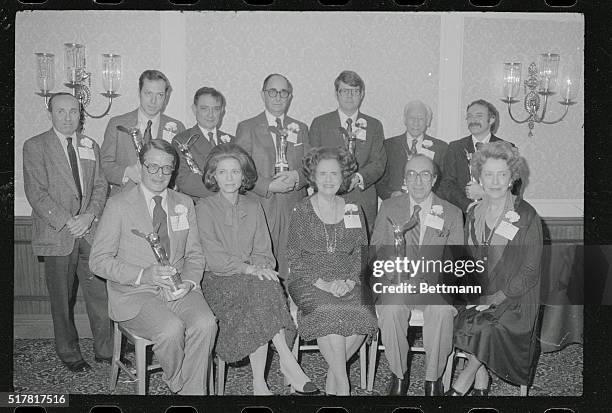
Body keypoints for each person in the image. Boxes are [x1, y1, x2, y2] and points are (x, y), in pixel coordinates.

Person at [89, 140, 217, 395]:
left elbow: (195, 254)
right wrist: (142, 275)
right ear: (140, 166)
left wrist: (188, 284)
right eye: (152, 167)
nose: (159, 175)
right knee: (171, 330)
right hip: (135, 294)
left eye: (166, 169)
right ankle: (183, 387)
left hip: (179, 289)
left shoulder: (184, 203)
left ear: (173, 171)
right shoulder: (118, 205)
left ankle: (190, 392)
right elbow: (98, 260)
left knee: (206, 323)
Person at [196, 143, 318, 395]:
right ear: (213, 176)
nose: (229, 178)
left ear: (244, 176)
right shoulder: (204, 208)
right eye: (222, 172)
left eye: (235, 172)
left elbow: (265, 252)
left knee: (264, 288)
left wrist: (260, 268)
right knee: (264, 290)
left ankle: (260, 383)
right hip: (218, 282)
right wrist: (250, 270)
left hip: (253, 280)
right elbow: (213, 257)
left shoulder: (253, 206)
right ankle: (287, 363)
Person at [23, 92, 112, 372]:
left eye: (73, 111)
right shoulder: (35, 146)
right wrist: (68, 220)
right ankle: (68, 352)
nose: (67, 117)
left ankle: (105, 350)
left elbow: (101, 186)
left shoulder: (90, 144)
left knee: (101, 296)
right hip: (57, 234)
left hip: (89, 232)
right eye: (61, 111)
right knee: (62, 299)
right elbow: (36, 193)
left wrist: (88, 216)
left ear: (80, 114)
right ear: (50, 113)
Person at [446, 141, 542, 396]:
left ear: (512, 178)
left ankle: (464, 380)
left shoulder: (527, 216)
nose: (495, 181)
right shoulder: (475, 213)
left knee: (486, 327)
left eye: (502, 174)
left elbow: (531, 270)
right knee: (453, 316)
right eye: (488, 174)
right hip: (482, 292)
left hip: (516, 299)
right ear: (479, 177)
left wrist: (495, 298)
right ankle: (481, 377)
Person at [287, 146, 378, 396]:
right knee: (330, 313)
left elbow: (361, 253)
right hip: (309, 279)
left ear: (343, 177)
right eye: (322, 174)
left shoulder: (353, 209)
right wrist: (324, 284)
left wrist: (349, 281)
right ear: (313, 177)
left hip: (348, 276)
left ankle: (333, 381)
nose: (328, 179)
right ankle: (344, 387)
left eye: (334, 174)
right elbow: (294, 257)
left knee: (364, 315)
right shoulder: (301, 210)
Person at [371, 154, 463, 395]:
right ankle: (399, 374)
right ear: (404, 179)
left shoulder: (452, 213)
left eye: (424, 174)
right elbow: (377, 248)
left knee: (442, 311)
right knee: (390, 310)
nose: (418, 181)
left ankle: (433, 379)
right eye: (411, 174)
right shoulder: (390, 207)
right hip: (397, 283)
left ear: (433, 179)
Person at [234, 73, 309, 280]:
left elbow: (310, 167)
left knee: (293, 259)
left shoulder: (300, 128)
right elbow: (240, 169)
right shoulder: (247, 127)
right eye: (272, 92)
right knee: (262, 263)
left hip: (293, 204)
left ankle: (291, 302)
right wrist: (267, 186)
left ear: (290, 96)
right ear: (263, 95)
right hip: (261, 205)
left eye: (283, 92)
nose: (278, 97)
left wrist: (297, 177)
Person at [309, 70, 386, 232]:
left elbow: (378, 163)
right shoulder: (320, 124)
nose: (350, 96)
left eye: (355, 91)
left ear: (362, 94)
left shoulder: (374, 126)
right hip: (327, 199)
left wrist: (358, 177)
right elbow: (312, 163)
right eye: (344, 91)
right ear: (336, 94)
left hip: (362, 200)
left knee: (361, 253)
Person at [101, 69, 186, 197]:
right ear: (139, 92)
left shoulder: (177, 127)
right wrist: (127, 172)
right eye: (148, 93)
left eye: (160, 95)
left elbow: (181, 170)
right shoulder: (117, 124)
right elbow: (103, 166)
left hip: (163, 201)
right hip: (124, 201)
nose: (153, 101)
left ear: (166, 96)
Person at [438, 99, 511, 212]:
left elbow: (514, 186)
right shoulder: (455, 148)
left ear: (491, 119)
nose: (473, 120)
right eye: (470, 116)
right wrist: (468, 206)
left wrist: (485, 194)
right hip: (463, 216)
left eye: (479, 116)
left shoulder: (506, 148)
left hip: (497, 213)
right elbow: (447, 185)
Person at [376, 100, 448, 200]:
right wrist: (390, 195)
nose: (416, 123)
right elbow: (379, 180)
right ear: (405, 120)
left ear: (428, 121)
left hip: (428, 207)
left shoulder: (441, 148)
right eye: (412, 118)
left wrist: (429, 198)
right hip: (395, 205)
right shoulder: (388, 146)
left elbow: (444, 182)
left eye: (421, 118)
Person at [173, 87, 234, 201]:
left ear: (222, 111)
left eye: (216, 109)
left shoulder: (232, 141)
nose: (210, 115)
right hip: (198, 207)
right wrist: (223, 193)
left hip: (230, 207)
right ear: (194, 109)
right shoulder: (182, 140)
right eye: (204, 108)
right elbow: (183, 179)